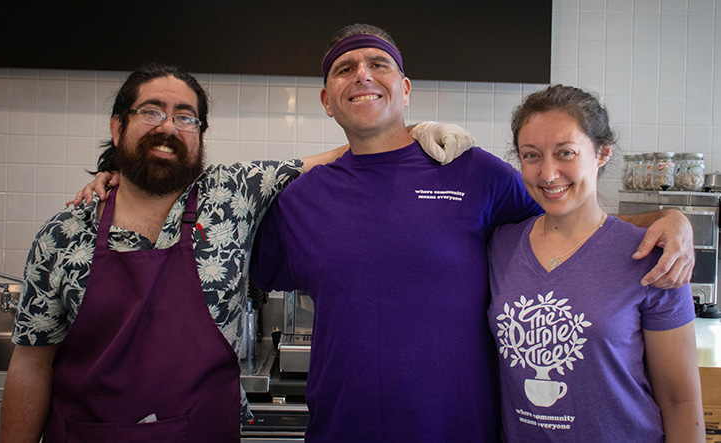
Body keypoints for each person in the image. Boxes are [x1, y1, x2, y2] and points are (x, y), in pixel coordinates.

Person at [248, 24, 695, 442]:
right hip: (343, 427)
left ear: (404, 89)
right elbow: (228, 257)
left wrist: (670, 219)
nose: (363, 75)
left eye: (378, 64)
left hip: (461, 429)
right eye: (346, 68)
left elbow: (570, 218)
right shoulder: (300, 198)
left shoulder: (471, 170)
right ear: (327, 100)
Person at [1, 63, 470, 442]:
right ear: (118, 124)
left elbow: (336, 158)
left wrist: (413, 131)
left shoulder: (233, 193)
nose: (169, 126)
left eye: (186, 116)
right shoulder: (64, 234)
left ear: (201, 134)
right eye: (152, 111)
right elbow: (31, 362)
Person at [487, 85, 704, 442]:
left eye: (566, 153)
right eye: (531, 155)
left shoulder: (655, 256)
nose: (548, 174)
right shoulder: (500, 245)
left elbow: (681, 402)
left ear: (602, 153)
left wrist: (675, 217)